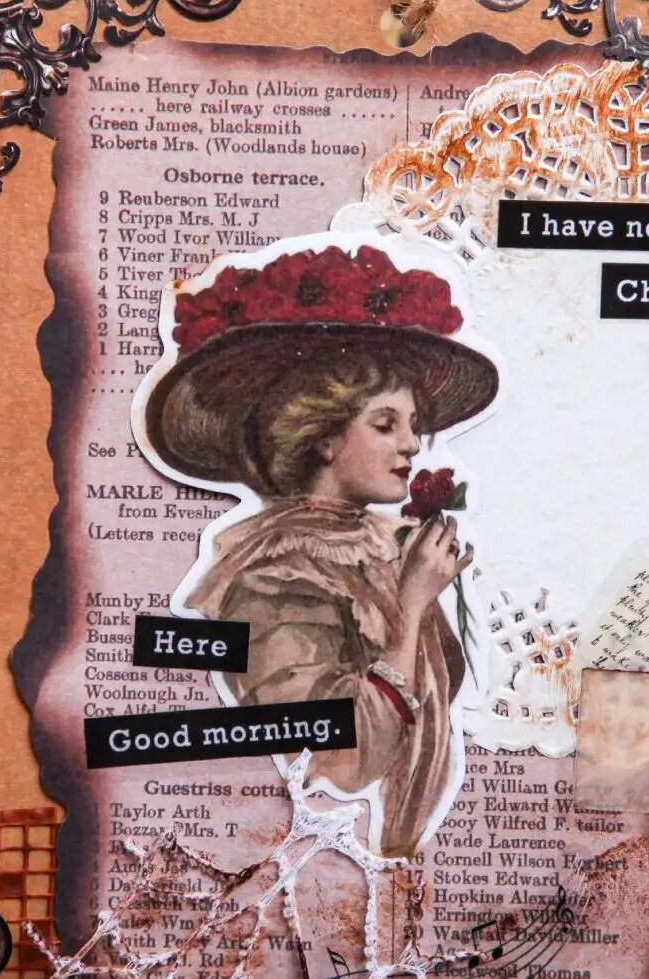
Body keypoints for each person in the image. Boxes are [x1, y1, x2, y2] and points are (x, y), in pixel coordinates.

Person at [140, 243, 498, 854]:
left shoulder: (380, 551)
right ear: (322, 438)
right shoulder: (275, 572)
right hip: (312, 852)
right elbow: (337, 758)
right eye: (385, 424)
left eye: (414, 425)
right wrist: (412, 607)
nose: (412, 445)